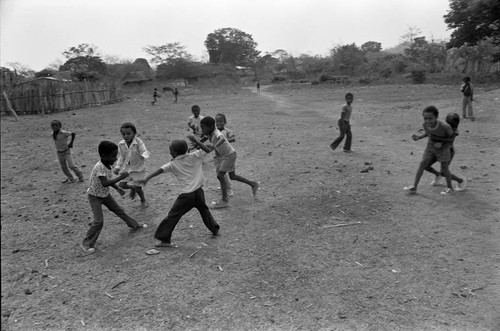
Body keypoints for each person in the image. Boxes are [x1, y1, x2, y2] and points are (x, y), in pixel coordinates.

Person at [138, 139, 219, 249]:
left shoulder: (173, 164)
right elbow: (208, 148)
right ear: (186, 149)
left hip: (187, 196)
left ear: (174, 153)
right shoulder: (195, 155)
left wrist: (147, 178)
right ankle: (214, 228)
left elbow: (160, 170)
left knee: (173, 215)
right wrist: (196, 142)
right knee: (204, 210)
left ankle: (164, 239)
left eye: (170, 151)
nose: (170, 153)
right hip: (199, 192)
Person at [81, 141, 147, 254]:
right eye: (112, 156)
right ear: (103, 156)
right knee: (98, 221)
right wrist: (121, 178)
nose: (115, 159)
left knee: (119, 211)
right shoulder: (100, 167)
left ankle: (133, 225)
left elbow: (107, 181)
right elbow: (104, 183)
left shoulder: (107, 165)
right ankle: (86, 245)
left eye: (115, 155)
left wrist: (117, 188)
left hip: (105, 195)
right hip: (95, 196)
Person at [188, 116, 260, 209]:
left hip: (229, 156)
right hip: (229, 154)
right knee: (232, 176)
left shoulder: (217, 132)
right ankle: (253, 184)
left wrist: (215, 145)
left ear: (210, 127)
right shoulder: (209, 133)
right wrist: (196, 144)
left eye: (203, 128)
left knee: (220, 175)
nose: (202, 130)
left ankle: (224, 200)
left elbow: (222, 139)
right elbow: (203, 139)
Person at [404, 106, 456, 195]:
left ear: (436, 117)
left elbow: (451, 138)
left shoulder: (445, 126)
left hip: (444, 148)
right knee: (422, 164)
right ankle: (414, 187)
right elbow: (429, 133)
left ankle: (450, 187)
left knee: (444, 168)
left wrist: (440, 142)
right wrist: (419, 137)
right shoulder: (425, 125)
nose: (428, 121)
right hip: (431, 146)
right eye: (425, 118)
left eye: (430, 118)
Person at [424, 112, 467, 191]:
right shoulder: (443, 126)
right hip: (436, 150)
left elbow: (450, 140)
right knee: (425, 165)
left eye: (451, 124)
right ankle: (438, 175)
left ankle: (460, 181)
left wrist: (436, 139)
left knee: (444, 172)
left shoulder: (454, 131)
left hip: (447, 152)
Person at [113, 122, 151, 208]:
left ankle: (143, 200)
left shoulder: (138, 142)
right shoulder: (121, 144)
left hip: (139, 169)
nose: (126, 136)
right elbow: (121, 157)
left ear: (134, 133)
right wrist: (117, 167)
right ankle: (132, 188)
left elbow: (144, 150)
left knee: (138, 188)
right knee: (122, 185)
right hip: (127, 168)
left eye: (128, 134)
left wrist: (143, 155)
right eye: (123, 134)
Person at [215, 113, 235, 197]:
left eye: (221, 121)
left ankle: (229, 189)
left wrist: (224, 141)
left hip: (227, 155)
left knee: (227, 173)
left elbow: (233, 138)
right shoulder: (215, 132)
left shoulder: (227, 131)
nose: (219, 123)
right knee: (219, 174)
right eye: (217, 121)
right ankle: (223, 186)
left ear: (225, 122)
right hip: (217, 156)